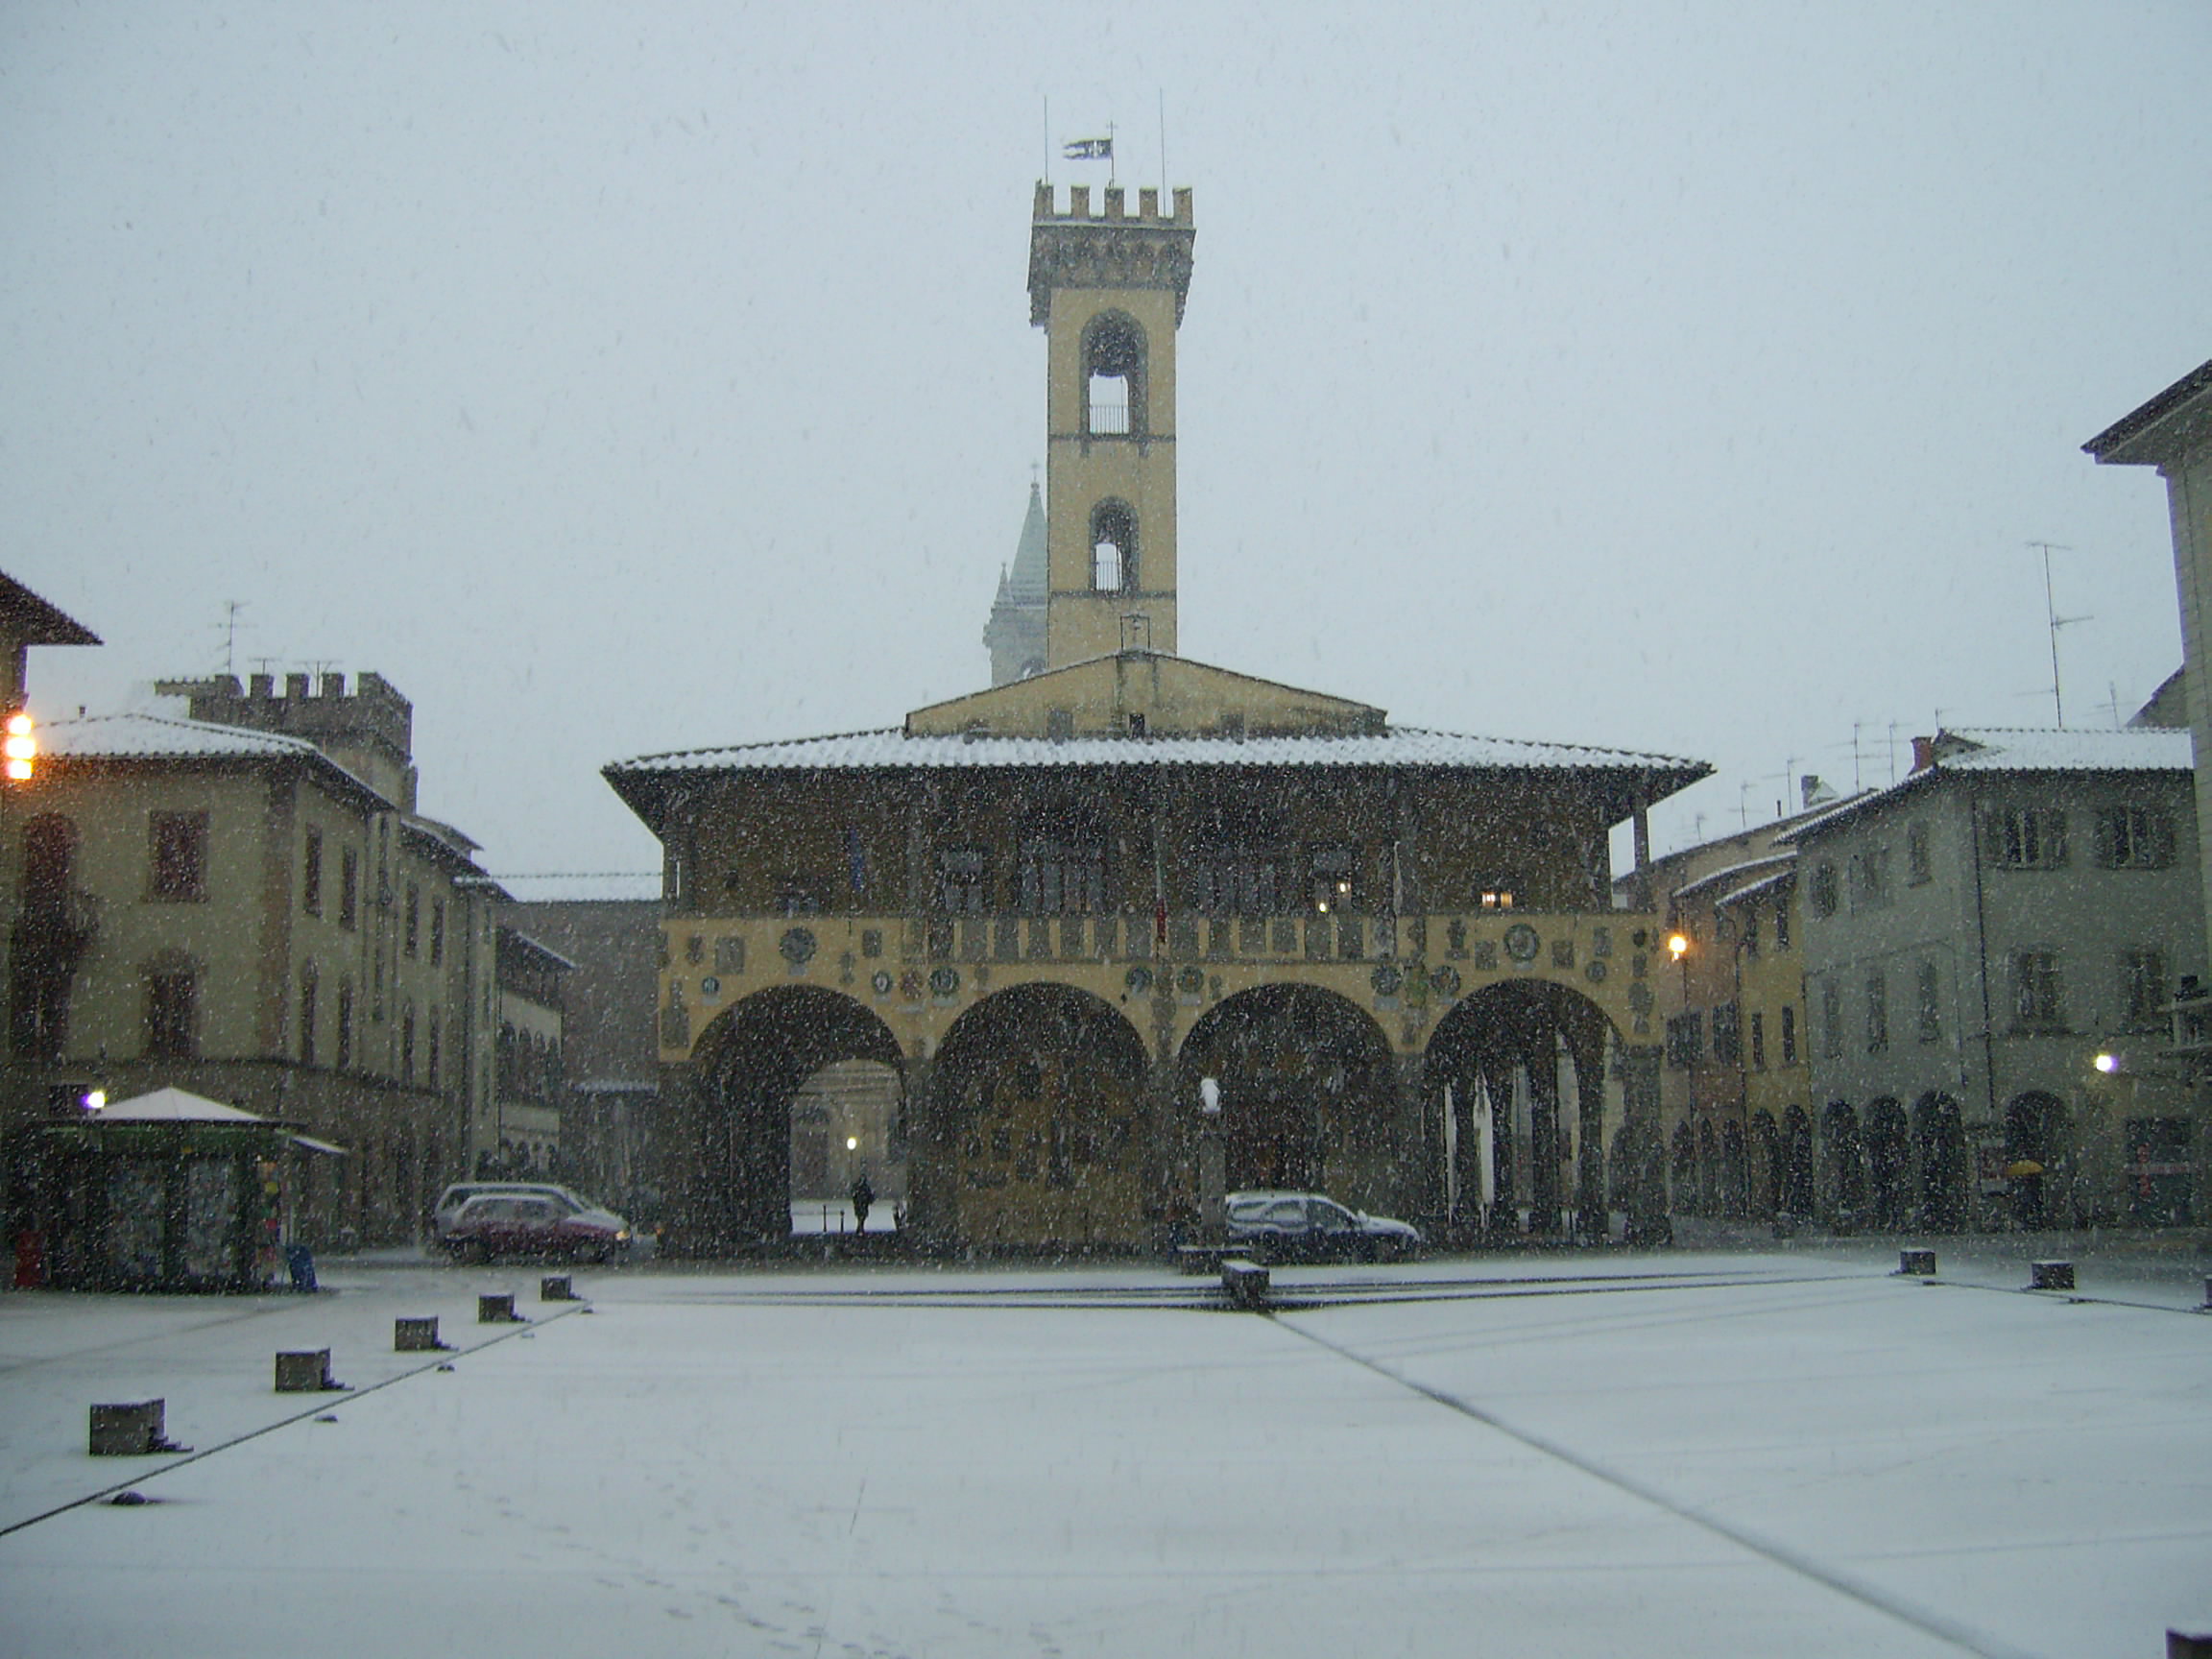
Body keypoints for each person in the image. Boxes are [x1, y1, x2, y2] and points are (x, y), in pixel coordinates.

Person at [850, 1169, 874, 1233]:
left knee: (862, 1217)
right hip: (859, 1204)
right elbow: (854, 1194)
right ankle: (860, 1228)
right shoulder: (858, 1187)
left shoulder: (865, 1187)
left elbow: (869, 1197)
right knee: (860, 1217)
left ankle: (860, 1228)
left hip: (863, 1204)